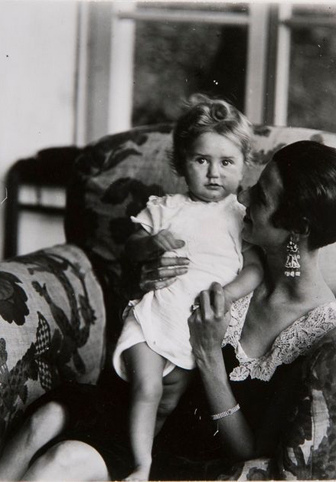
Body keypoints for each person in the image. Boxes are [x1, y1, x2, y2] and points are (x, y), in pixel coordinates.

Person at [0, 140, 336, 481]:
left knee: (61, 461)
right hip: (139, 413)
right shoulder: (227, 256)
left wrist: (209, 357)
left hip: (194, 464)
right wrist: (143, 282)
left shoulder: (324, 340)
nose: (242, 196)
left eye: (262, 197)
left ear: (299, 229)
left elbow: (253, 458)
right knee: (44, 421)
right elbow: (151, 315)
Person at [112, 95, 264, 480]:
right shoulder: (167, 207)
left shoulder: (241, 218)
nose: (214, 173)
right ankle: (140, 466)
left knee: (167, 401)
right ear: (182, 163)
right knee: (146, 389)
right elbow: (131, 245)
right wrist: (151, 243)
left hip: (191, 333)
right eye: (201, 161)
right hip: (153, 318)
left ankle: (129, 456)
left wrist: (228, 293)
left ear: (244, 166)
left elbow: (256, 268)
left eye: (226, 162)